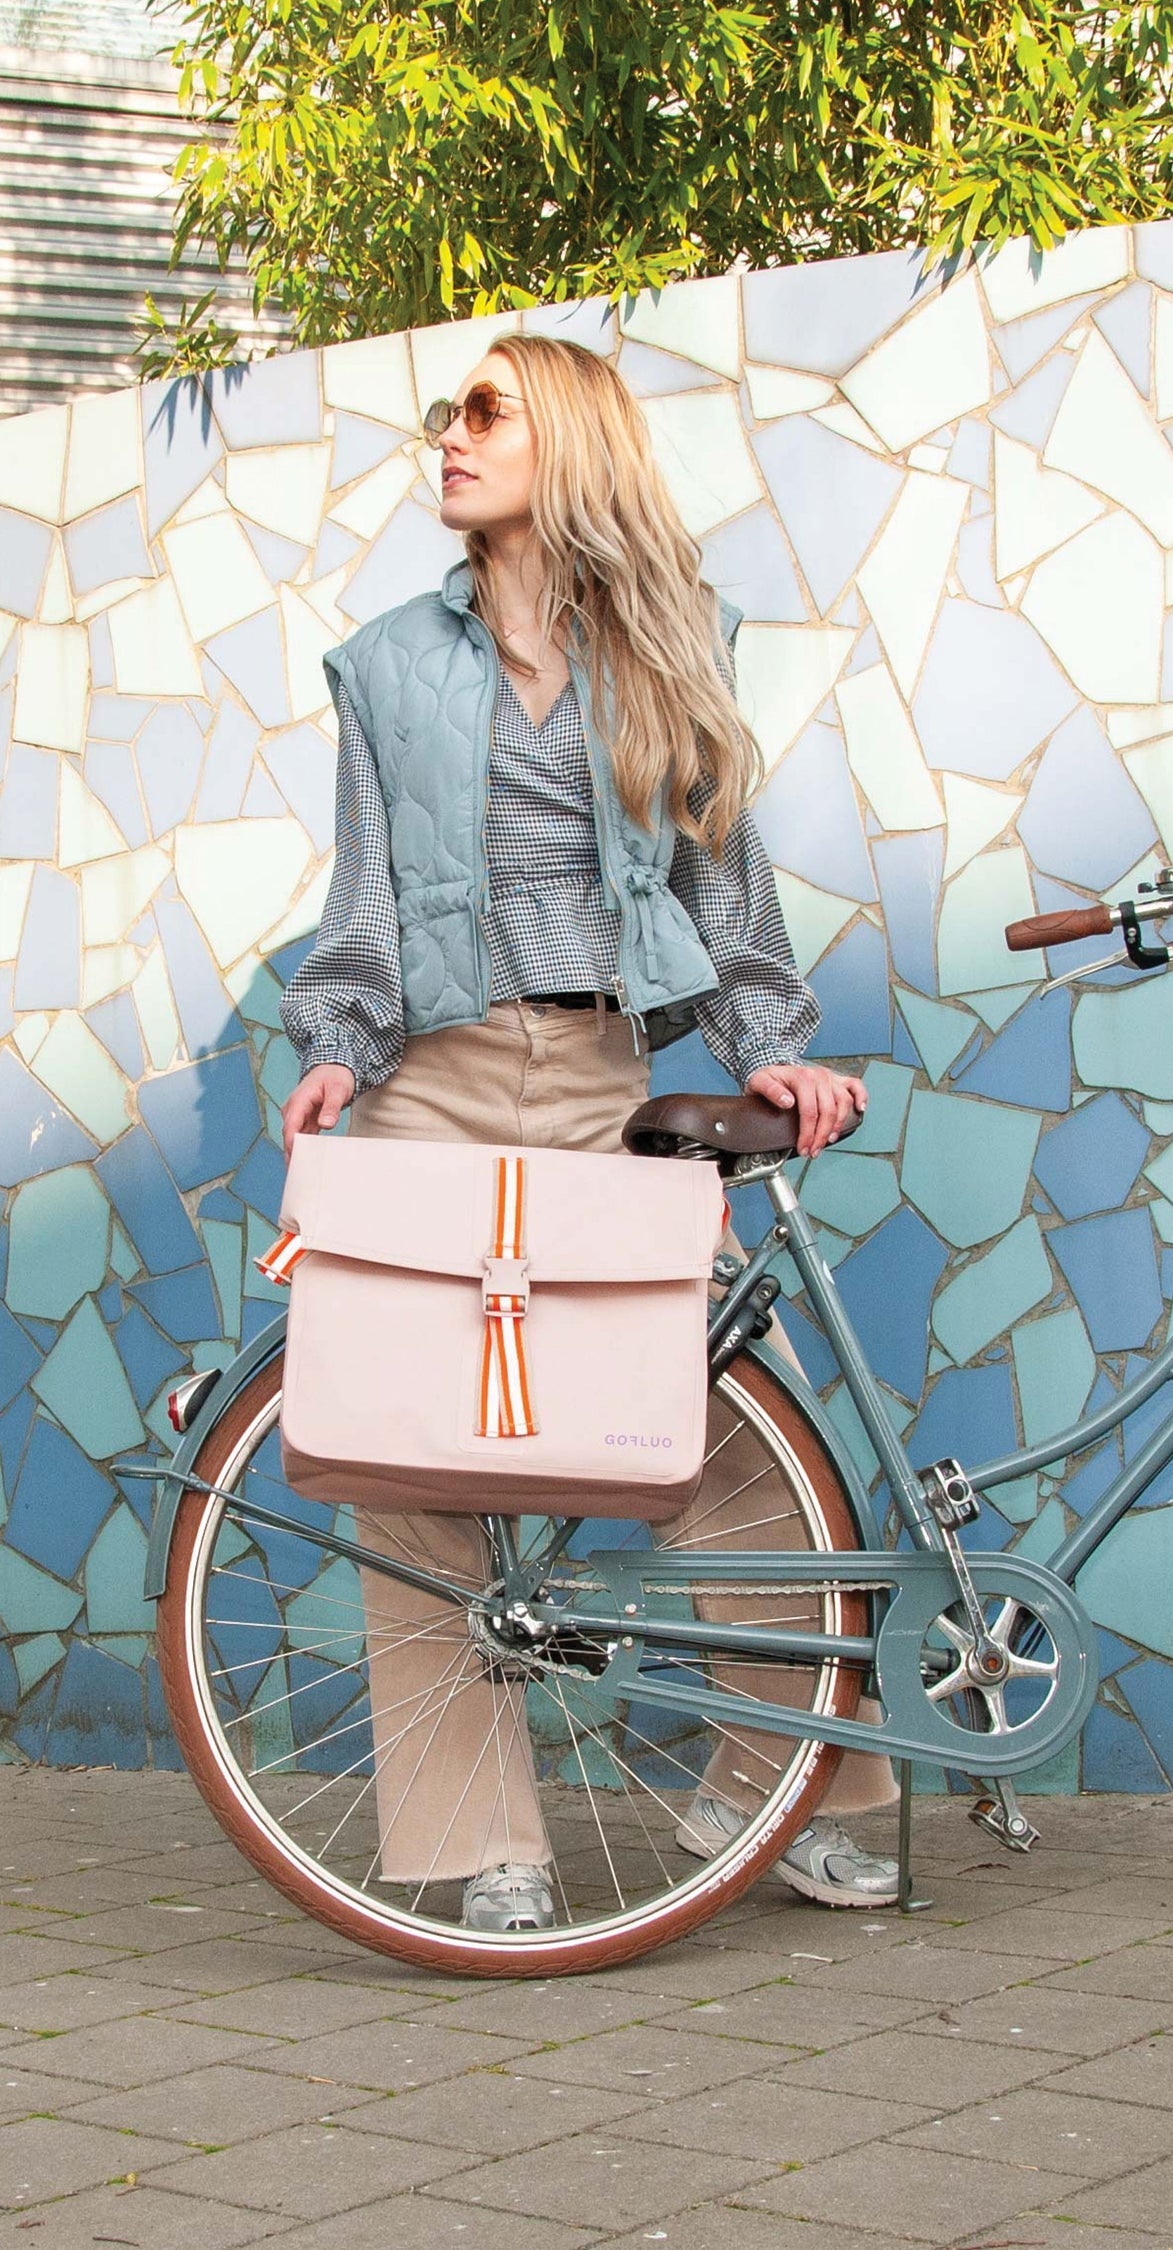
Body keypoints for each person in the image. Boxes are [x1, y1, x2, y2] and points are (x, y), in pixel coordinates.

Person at [279, 332, 898, 1932]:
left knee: (708, 1415)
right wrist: (338, 1049)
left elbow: (723, 879)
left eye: (486, 412)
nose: (452, 437)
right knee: (410, 1445)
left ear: (566, 436)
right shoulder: (390, 664)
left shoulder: (674, 643)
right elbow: (359, 897)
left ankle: (804, 1783)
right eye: (449, 413)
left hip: (614, 1070)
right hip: (441, 1069)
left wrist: (775, 1054)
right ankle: (488, 1843)